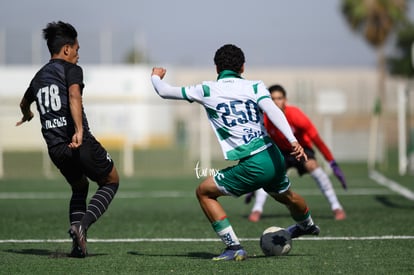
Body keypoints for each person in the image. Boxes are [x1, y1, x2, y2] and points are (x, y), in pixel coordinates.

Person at [151, 44, 320, 261]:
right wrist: (293, 140)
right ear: (242, 67)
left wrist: (156, 77)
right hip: (272, 154)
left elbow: (164, 91)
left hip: (254, 162)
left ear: (216, 68)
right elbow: (273, 110)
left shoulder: (207, 89)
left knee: (204, 192)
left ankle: (233, 247)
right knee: (286, 196)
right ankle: (307, 225)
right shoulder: (255, 86)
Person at [16, 21, 119, 258]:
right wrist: (80, 131)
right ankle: (81, 226)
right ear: (66, 50)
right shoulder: (71, 69)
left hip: (55, 149)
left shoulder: (39, 77)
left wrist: (27, 115)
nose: (78, 55)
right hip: (77, 142)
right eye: (77, 49)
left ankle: (77, 246)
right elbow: (74, 95)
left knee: (79, 187)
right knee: (111, 181)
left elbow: (24, 103)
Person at [246, 84, 347, 223]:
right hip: (281, 151)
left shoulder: (296, 115)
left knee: (312, 166)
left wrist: (332, 163)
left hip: (302, 149)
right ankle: (257, 209)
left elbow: (317, 140)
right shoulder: (264, 119)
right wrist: (256, 181)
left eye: (279, 98)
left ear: (285, 100)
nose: (276, 102)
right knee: (267, 174)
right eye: (272, 99)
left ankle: (336, 206)